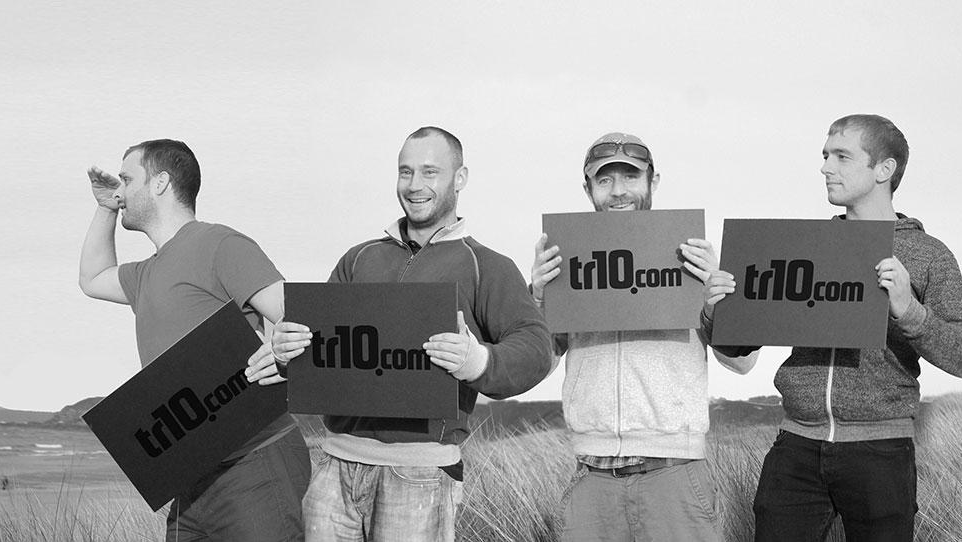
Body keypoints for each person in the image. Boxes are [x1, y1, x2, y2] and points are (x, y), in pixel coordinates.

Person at [704, 114, 962, 541]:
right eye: (824, 156)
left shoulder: (929, 256)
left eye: (841, 157)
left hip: (881, 453)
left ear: (883, 170)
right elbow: (737, 344)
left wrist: (910, 311)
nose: (825, 167)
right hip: (795, 447)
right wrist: (721, 308)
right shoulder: (801, 247)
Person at [268, 126, 554, 541]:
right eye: (406, 172)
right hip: (335, 466)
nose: (415, 185)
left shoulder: (486, 266)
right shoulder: (358, 258)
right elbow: (319, 349)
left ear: (460, 178)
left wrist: (478, 361)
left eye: (429, 172)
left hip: (420, 472)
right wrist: (286, 352)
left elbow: (536, 348)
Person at [530, 132, 758, 541]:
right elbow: (537, 364)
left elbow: (742, 363)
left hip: (675, 472)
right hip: (592, 476)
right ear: (588, 189)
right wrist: (541, 301)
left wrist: (716, 300)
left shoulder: (689, 254)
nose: (619, 192)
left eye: (631, 177)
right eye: (604, 180)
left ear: (653, 182)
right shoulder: (565, 260)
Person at [79, 139, 310, 541]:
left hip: (253, 465)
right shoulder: (145, 274)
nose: (121, 190)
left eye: (128, 179)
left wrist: (280, 354)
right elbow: (92, 278)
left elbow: (302, 317)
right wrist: (104, 207)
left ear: (161, 183)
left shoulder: (219, 243)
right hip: (189, 476)